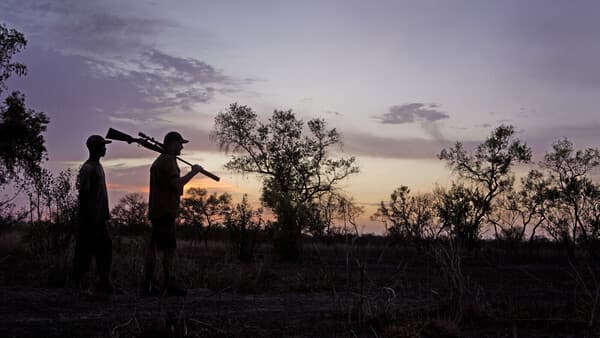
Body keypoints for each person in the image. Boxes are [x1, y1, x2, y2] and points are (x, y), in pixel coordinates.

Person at [143, 131, 203, 296]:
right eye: (180, 143)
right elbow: (176, 185)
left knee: (155, 248)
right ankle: (168, 284)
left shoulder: (161, 160)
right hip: (165, 212)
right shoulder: (168, 160)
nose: (182, 147)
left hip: (158, 211)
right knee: (168, 249)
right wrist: (194, 172)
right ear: (171, 144)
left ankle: (148, 285)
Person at [72, 135, 114, 294]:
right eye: (102, 146)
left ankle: (103, 282)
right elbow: (83, 195)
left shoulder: (98, 166)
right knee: (86, 253)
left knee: (104, 250)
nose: (105, 148)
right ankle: (82, 286)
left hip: (99, 218)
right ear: (94, 148)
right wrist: (86, 220)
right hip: (91, 219)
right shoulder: (88, 169)